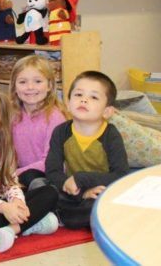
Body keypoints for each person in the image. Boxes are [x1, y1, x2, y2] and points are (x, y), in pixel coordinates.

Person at [0, 90, 59, 253]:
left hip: (1, 201)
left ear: (0, 126)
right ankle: (29, 223)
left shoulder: (3, 152)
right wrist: (2, 206)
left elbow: (11, 183)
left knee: (50, 192)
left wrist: (17, 202)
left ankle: (10, 230)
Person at [46, 71, 129, 229]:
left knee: (104, 204)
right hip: (71, 190)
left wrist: (83, 179)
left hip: (100, 190)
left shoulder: (111, 135)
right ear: (68, 103)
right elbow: (52, 171)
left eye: (94, 97)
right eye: (78, 94)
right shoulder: (61, 131)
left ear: (107, 112)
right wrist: (78, 191)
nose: (84, 99)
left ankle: (59, 216)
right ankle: (60, 214)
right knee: (41, 186)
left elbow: (121, 175)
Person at [9, 55, 66, 189]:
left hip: (49, 175)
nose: (30, 87)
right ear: (14, 87)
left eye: (38, 81)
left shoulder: (55, 117)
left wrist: (15, 173)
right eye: (22, 82)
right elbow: (7, 150)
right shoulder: (12, 114)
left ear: (49, 86)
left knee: (32, 178)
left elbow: (50, 162)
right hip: (20, 174)